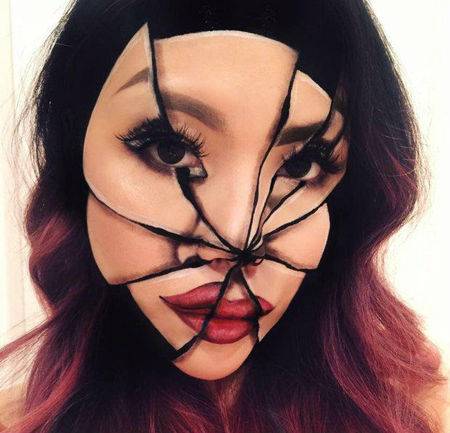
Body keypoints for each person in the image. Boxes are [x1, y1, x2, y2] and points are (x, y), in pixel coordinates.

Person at [0, 0, 448, 431]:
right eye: (170, 150)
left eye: (299, 167)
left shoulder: (422, 418)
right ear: (74, 164)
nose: (237, 241)